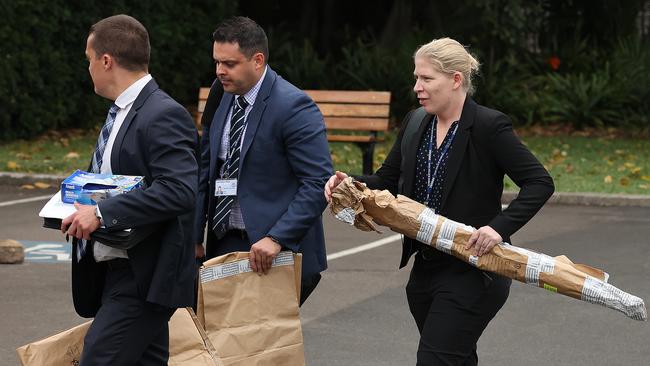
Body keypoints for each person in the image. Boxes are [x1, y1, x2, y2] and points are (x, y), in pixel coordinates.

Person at [324, 37, 554, 365]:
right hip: (426, 272)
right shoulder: (416, 122)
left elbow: (540, 182)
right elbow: (387, 181)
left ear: (456, 80)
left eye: (427, 78)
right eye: (416, 77)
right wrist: (350, 182)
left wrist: (498, 229)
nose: (417, 86)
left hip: (474, 270)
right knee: (454, 358)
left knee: (435, 359)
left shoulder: (489, 126)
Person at [61, 14, 198, 365]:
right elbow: (120, 183)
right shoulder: (122, 111)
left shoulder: (162, 113)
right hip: (115, 268)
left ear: (107, 61)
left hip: (143, 277)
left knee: (99, 358)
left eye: (89, 59)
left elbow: (179, 190)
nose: (88, 68)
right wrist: (79, 208)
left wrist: (102, 213)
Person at [194, 16, 332, 305]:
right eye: (217, 62)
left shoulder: (294, 106)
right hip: (224, 242)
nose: (220, 71)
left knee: (261, 346)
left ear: (257, 60)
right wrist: (195, 234)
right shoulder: (221, 93)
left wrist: (277, 237)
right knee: (224, 342)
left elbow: (318, 182)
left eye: (229, 64)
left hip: (273, 251)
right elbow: (206, 168)